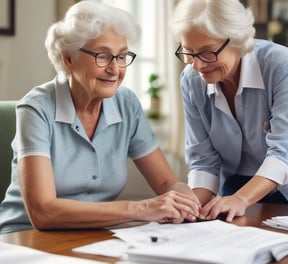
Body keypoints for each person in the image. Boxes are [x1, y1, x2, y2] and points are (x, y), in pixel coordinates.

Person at [0, 0, 200, 234]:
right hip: (25, 239)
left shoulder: (127, 104)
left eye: (122, 56)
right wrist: (141, 209)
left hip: (95, 236)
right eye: (102, 56)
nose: (115, 69)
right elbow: (43, 212)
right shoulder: (36, 108)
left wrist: (189, 203)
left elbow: (167, 184)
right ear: (68, 59)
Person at [170, 0, 288, 222]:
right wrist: (190, 207)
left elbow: (284, 151)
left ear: (237, 39)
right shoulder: (191, 79)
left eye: (207, 53)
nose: (197, 66)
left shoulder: (281, 64)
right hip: (238, 184)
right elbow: (203, 159)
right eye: (189, 52)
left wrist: (241, 199)